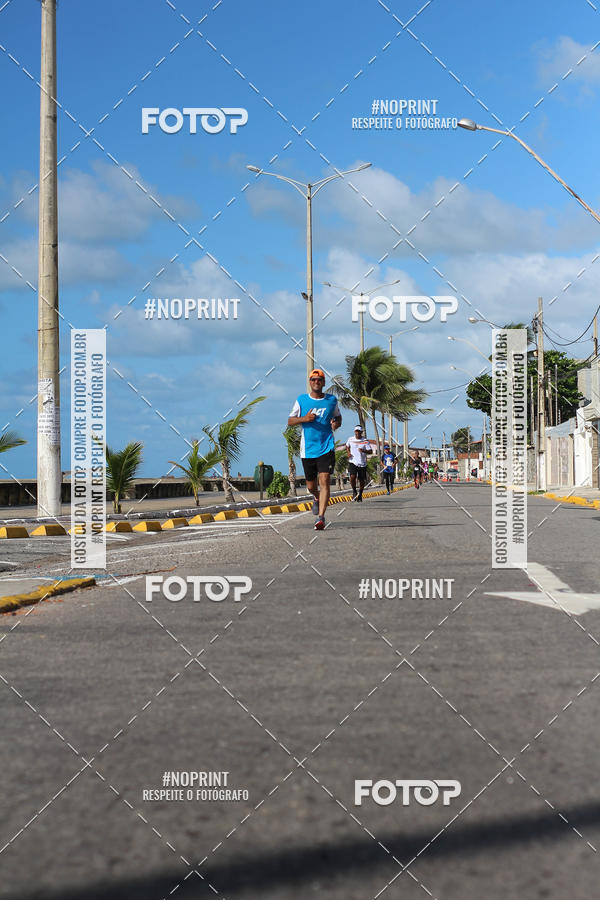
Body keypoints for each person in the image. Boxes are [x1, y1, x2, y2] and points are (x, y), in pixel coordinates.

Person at [288, 368, 341, 530]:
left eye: (319, 379)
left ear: (324, 382)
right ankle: (317, 498)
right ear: (310, 382)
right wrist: (306, 418)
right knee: (311, 486)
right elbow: (290, 421)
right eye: (313, 379)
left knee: (324, 480)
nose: (316, 382)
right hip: (307, 449)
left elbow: (338, 416)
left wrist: (336, 423)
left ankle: (321, 518)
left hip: (326, 447)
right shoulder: (302, 400)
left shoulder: (332, 400)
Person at [345, 425, 372, 502]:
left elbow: (370, 451)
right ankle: (354, 491)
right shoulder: (350, 439)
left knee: (361, 480)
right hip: (352, 461)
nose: (357, 433)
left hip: (362, 463)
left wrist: (363, 451)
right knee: (352, 477)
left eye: (358, 431)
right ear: (354, 432)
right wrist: (348, 452)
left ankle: (360, 494)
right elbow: (347, 446)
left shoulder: (365, 441)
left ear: (361, 432)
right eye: (356, 431)